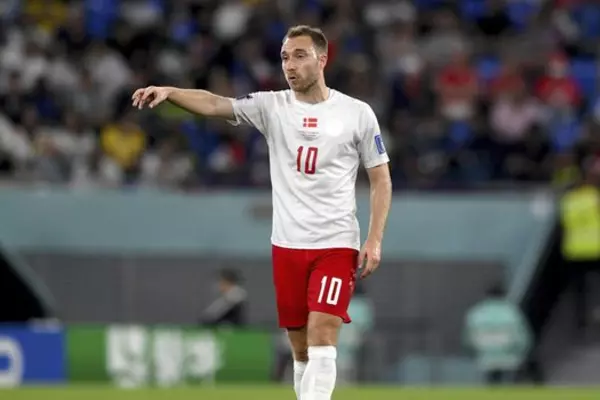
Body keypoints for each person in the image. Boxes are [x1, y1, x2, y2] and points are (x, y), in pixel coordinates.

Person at [132, 25, 392, 400]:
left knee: (323, 332)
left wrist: (374, 239)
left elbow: (381, 179)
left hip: (336, 244)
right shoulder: (271, 106)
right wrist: (171, 92)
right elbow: (215, 104)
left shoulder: (357, 113)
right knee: (300, 349)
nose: (290, 65)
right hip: (287, 245)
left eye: (299, 55)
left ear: (322, 59)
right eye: (285, 57)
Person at [464, 283, 533, 385]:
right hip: (510, 360)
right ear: (503, 295)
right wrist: (523, 354)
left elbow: (468, 340)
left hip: (486, 360)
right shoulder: (512, 312)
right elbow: (523, 339)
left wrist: (474, 354)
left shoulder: (476, 314)